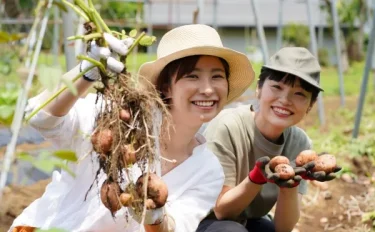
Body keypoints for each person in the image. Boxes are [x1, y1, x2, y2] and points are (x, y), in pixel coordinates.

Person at [9, 24, 255, 232]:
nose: (208, 89)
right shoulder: (117, 119)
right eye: (192, 76)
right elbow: (41, 117)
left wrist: (155, 213)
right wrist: (87, 72)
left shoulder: (208, 169)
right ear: (166, 87)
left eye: (217, 76)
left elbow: (176, 227)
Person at [196, 47, 342, 232]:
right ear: (259, 88)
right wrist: (257, 178)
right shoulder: (227, 127)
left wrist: (292, 184)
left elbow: (283, 227)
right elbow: (222, 212)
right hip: (200, 222)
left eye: (299, 94)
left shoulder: (300, 144)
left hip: (246, 220)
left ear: (310, 105)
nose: (285, 100)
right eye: (277, 87)